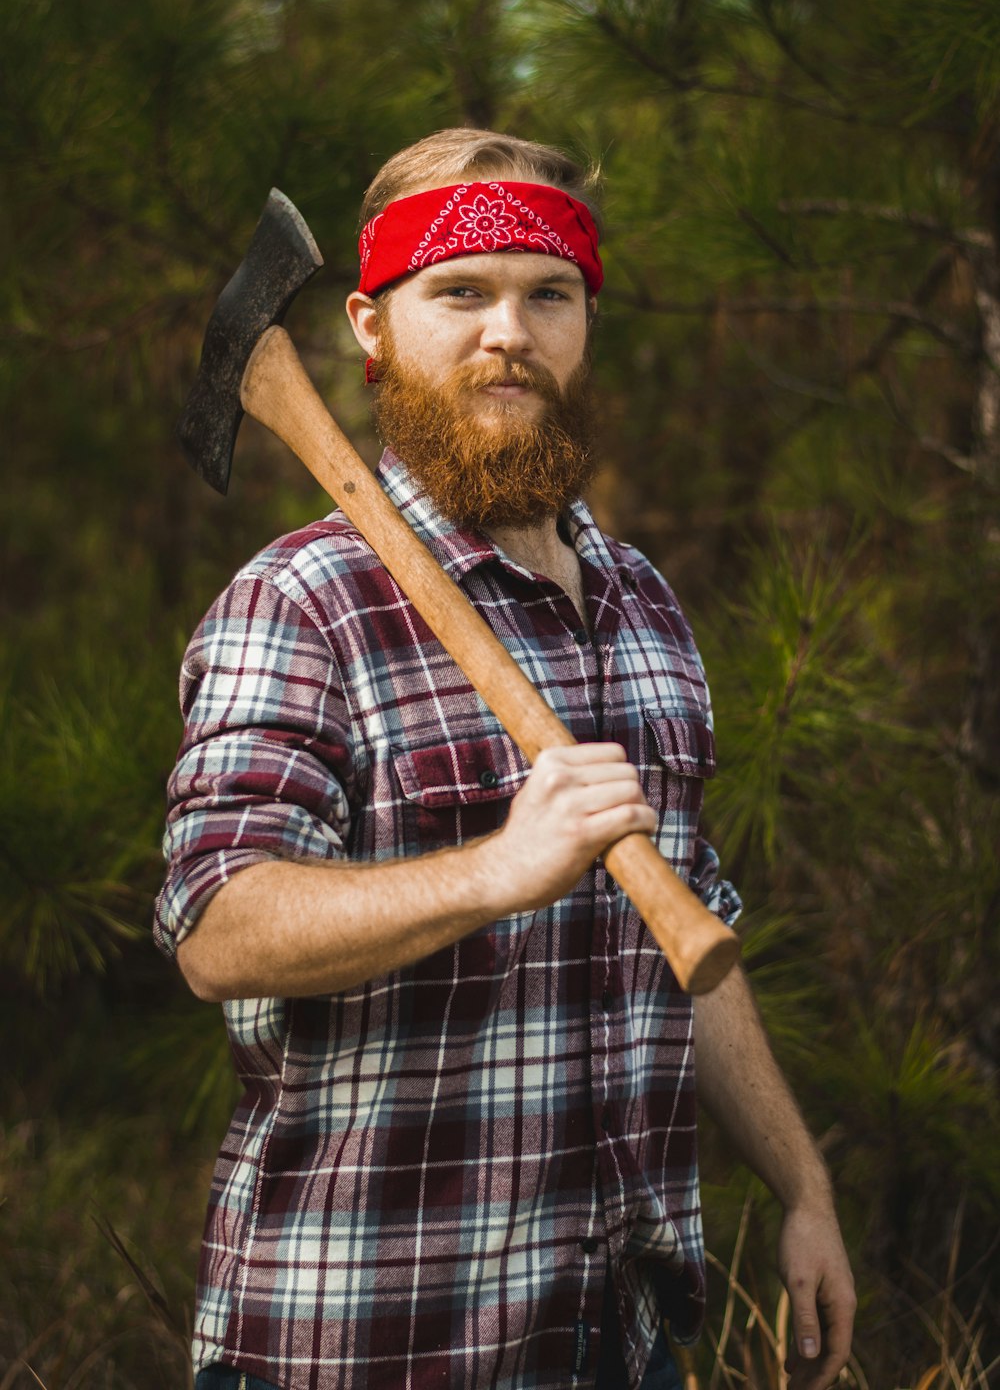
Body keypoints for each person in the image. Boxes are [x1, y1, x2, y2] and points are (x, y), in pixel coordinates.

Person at [157, 128, 855, 1390]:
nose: (508, 333)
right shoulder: (302, 601)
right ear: (371, 329)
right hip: (365, 1343)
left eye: (549, 294)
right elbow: (218, 923)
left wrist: (800, 1183)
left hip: (614, 1339)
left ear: (586, 320)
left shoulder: (643, 606)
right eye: (460, 292)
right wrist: (494, 871)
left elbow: (686, 920)